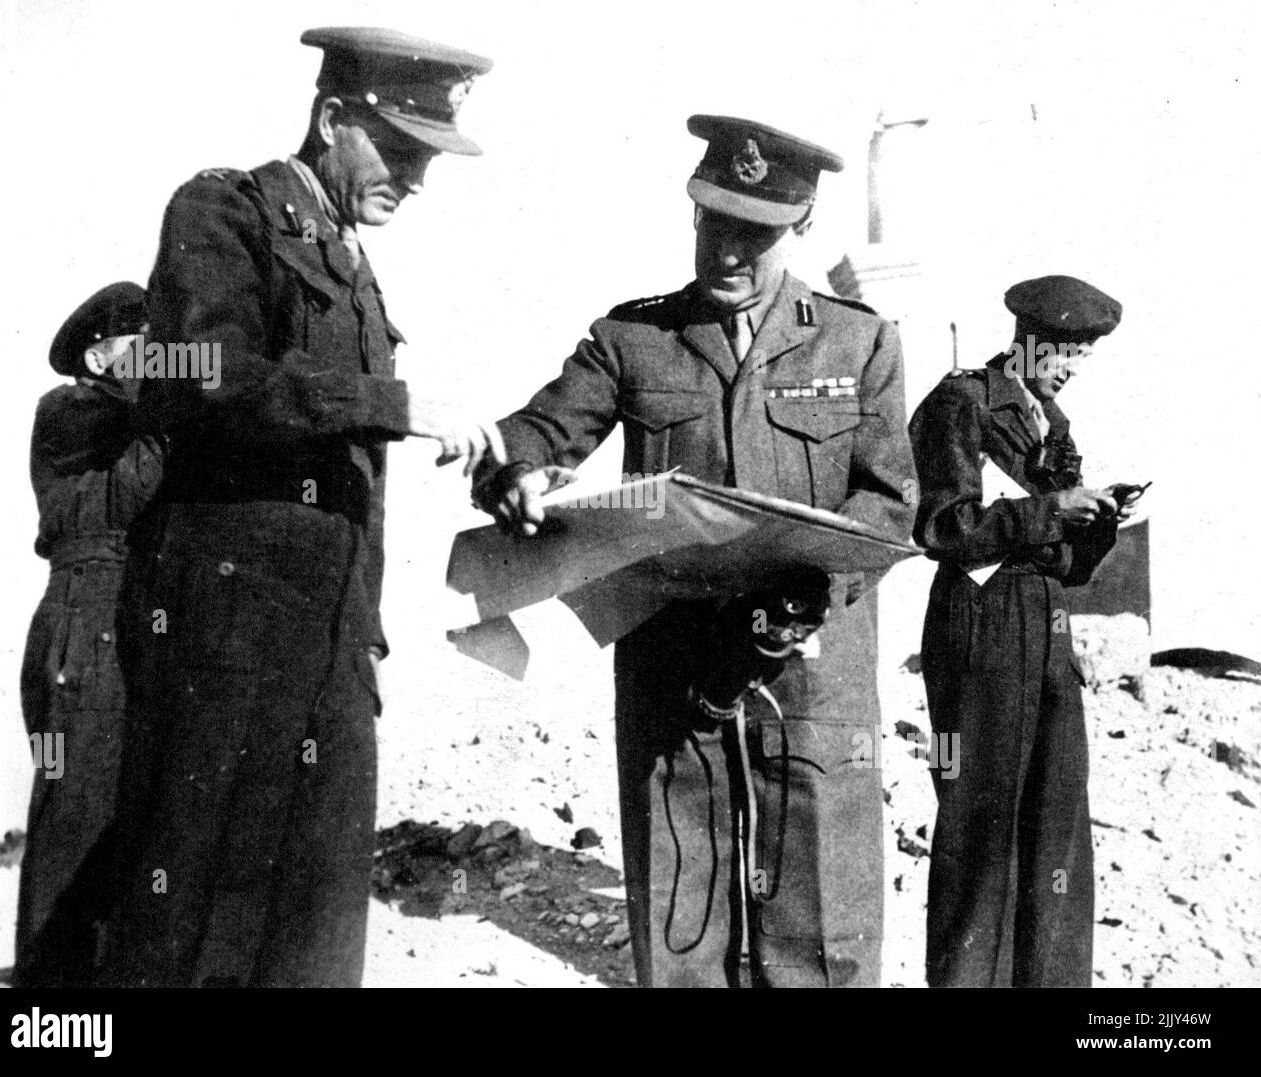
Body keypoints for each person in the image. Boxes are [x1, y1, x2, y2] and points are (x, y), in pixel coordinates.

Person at [475, 115, 917, 987]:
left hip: (807, 661)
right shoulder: (631, 338)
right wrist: (517, 469)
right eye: (714, 224)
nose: (727, 252)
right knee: (682, 904)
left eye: (753, 234)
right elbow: (542, 429)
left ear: (800, 226)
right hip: (672, 660)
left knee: (822, 918)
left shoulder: (859, 341)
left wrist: (800, 595)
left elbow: (890, 504)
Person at [101, 27, 500, 988]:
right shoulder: (222, 210)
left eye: (425, 159)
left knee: (314, 937)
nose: (412, 179)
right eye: (398, 150)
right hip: (227, 638)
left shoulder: (350, 259)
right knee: (189, 922)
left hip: (329, 646)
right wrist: (387, 404)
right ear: (332, 119)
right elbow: (192, 375)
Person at [908, 274, 1134, 987]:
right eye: (1063, 350)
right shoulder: (962, 402)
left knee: (1056, 819)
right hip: (980, 629)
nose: (1069, 367)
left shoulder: (1053, 424)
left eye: (1081, 355)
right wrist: (1051, 511)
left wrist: (1096, 527)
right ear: (1029, 338)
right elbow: (944, 526)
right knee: (980, 825)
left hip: (1046, 629)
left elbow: (1062, 565)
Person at [15, 282, 161, 987]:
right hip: (83, 623)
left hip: (112, 623)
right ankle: (49, 1005)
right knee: (71, 816)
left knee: (114, 822)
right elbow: (125, 483)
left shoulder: (124, 410)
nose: (160, 358)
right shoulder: (69, 411)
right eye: (143, 344)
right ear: (99, 355)